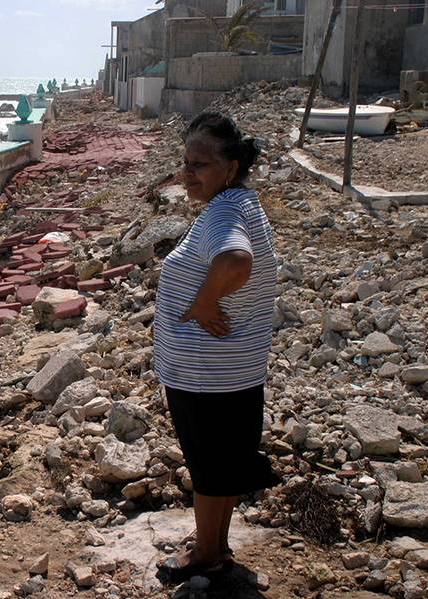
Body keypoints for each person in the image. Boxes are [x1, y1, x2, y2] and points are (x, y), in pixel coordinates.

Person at [153, 112, 281, 581]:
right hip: (233, 369)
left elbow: (235, 260)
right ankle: (217, 545)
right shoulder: (243, 203)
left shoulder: (224, 213)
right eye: (185, 162)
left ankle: (205, 554)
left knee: (208, 466)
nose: (188, 174)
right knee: (224, 465)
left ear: (229, 167)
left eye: (199, 165)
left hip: (206, 375)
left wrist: (202, 303)